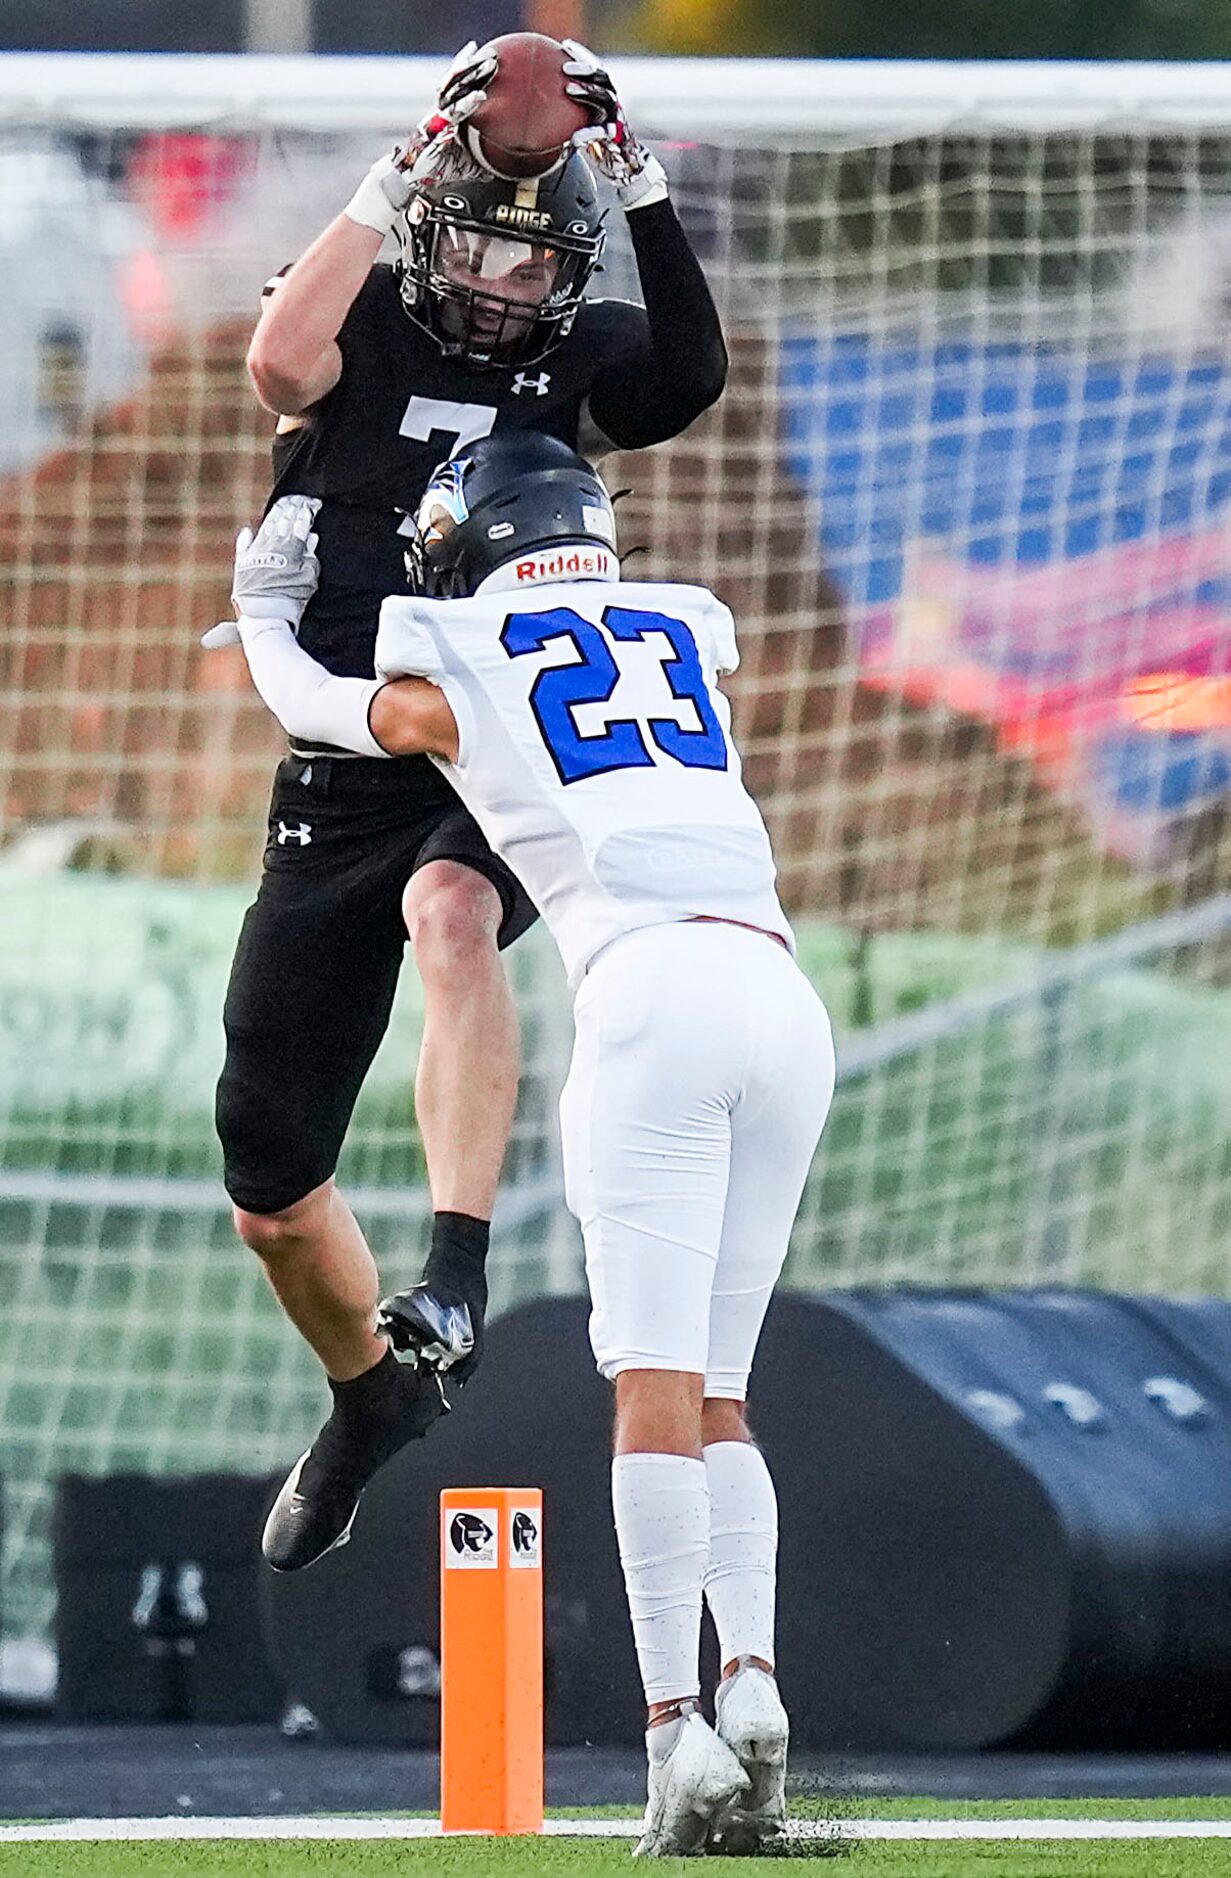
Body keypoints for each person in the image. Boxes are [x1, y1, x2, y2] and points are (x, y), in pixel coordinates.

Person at [214, 435, 836, 1857]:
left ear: (469, 544)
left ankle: (676, 1729)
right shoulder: (679, 619)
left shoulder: (472, 642)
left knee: (654, 1388)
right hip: (781, 995)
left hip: (652, 997)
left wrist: (263, 608)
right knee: (722, 1390)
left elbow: (326, 704)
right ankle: (757, 1692)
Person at [214, 39, 729, 1574]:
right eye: (486, 239)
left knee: (456, 913)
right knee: (267, 1185)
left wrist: (630, 175)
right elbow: (274, 369)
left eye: (538, 251)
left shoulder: (573, 354)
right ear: (436, 215)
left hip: (487, 738)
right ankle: (372, 1397)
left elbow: (685, 376)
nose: (510, 278)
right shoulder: (364, 310)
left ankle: (454, 1266)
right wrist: (395, 165)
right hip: (346, 738)